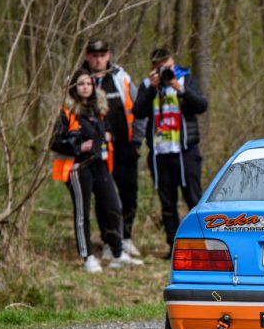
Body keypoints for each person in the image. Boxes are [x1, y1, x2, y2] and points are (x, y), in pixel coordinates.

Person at [51, 68, 143, 272]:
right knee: (82, 212)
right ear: (74, 87)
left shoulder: (99, 109)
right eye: (81, 84)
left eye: (88, 83)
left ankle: (117, 252)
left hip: (100, 164)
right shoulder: (66, 112)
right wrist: (77, 147)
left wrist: (108, 136)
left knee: (114, 205)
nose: (85, 87)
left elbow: (107, 130)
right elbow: (55, 142)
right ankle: (87, 257)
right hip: (78, 166)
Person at [133, 48, 208, 257]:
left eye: (167, 64)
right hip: (160, 153)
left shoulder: (186, 79)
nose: (164, 69)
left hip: (185, 151)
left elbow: (202, 105)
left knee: (193, 198)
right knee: (167, 202)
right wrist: (151, 88)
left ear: (173, 62)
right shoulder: (148, 85)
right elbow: (137, 111)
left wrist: (178, 88)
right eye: (158, 66)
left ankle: (201, 245)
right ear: (152, 67)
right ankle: (174, 247)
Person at [81, 38, 146, 260]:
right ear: (88, 56)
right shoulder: (80, 80)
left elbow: (138, 109)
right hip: (96, 150)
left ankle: (125, 237)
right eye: (94, 55)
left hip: (124, 146)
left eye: (102, 55)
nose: (98, 59)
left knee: (129, 193)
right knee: (103, 196)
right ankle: (108, 240)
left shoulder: (121, 77)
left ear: (108, 55)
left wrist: (137, 141)